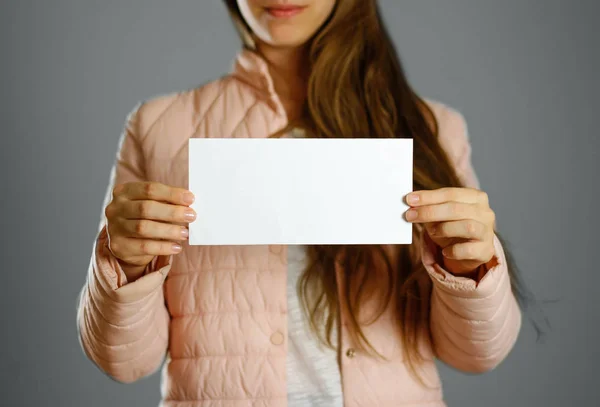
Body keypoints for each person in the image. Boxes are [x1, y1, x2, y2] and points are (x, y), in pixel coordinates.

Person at [77, 1, 526, 406]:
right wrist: (125, 266)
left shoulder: (432, 129)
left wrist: (471, 270)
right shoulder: (159, 128)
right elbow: (123, 363)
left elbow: (475, 356)